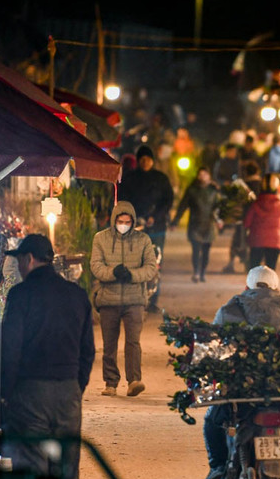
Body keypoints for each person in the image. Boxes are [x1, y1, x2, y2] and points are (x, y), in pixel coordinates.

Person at [0, 234, 96, 479]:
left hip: (31, 393)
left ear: (28, 260)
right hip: (67, 392)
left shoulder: (21, 295)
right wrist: (75, 387)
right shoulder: (76, 295)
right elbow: (88, 352)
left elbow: (9, 351)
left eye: (18, 261)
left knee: (31, 472)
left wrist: (5, 395)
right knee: (66, 473)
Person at [202, 265, 280, 479]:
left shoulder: (228, 310)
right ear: (276, 287)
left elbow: (213, 349)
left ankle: (218, 468)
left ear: (247, 286)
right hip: (279, 387)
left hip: (239, 387)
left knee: (213, 421)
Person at [90, 201, 160, 397]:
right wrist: (113, 272)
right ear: (114, 221)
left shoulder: (143, 240)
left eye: (128, 221)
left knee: (133, 341)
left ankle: (134, 380)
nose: (124, 224)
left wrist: (132, 275)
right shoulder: (100, 239)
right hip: (108, 299)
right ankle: (110, 382)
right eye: (120, 221)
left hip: (134, 299)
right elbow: (95, 266)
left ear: (133, 221)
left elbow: (151, 268)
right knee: (109, 343)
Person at [117, 145, 174, 313]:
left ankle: (153, 298)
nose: (145, 163)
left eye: (148, 159)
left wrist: (155, 216)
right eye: (142, 159)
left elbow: (167, 200)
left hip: (156, 229)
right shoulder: (130, 178)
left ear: (153, 161)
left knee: (155, 262)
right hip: (135, 229)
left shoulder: (161, 179)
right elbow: (122, 199)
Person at [171, 165, 222, 283]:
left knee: (206, 252)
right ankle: (196, 272)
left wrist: (220, 220)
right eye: (200, 174)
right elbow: (183, 206)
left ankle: (203, 271)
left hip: (209, 225)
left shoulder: (214, 190)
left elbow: (219, 207)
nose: (202, 177)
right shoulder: (192, 190)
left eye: (205, 174)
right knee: (196, 250)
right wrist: (176, 221)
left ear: (209, 176)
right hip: (195, 224)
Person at [219, 161, 261, 274]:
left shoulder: (242, 185)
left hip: (243, 218)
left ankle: (231, 264)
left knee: (237, 241)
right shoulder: (262, 185)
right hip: (258, 219)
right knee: (254, 242)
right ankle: (250, 266)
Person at [243, 173, 280, 269]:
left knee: (254, 271)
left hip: (257, 240)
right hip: (274, 241)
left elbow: (247, 222)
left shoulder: (255, 204)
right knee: (271, 272)